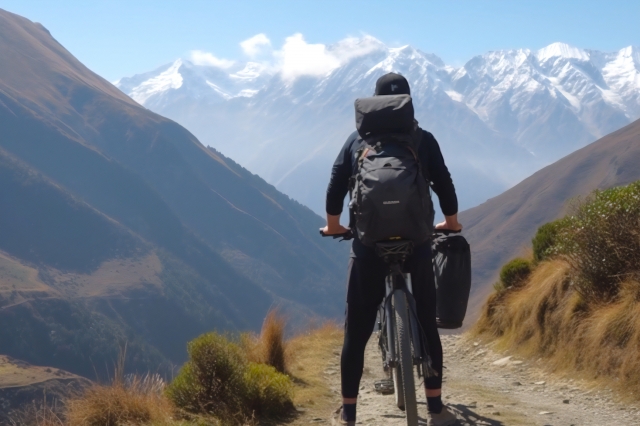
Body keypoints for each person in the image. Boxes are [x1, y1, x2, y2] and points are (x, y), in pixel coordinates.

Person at [323, 72, 462, 426]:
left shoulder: (357, 141)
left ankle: (349, 414)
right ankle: (434, 410)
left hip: (369, 245)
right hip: (416, 242)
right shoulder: (422, 139)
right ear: (407, 103)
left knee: (356, 332)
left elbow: (336, 182)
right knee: (428, 322)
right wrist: (451, 221)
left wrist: (335, 225)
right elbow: (443, 181)